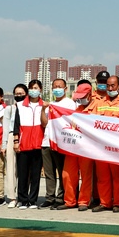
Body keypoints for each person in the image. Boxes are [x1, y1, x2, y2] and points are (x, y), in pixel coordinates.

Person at [92, 75, 119, 213]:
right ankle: (105, 202)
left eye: (112, 85)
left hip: (117, 146)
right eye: (108, 85)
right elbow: (93, 121)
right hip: (101, 147)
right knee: (102, 177)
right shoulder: (100, 103)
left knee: (117, 176)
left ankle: (118, 203)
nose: (109, 88)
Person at [58, 82, 98, 211]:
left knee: (86, 175)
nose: (81, 99)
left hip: (87, 148)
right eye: (79, 97)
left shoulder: (97, 108)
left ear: (90, 95)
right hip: (74, 147)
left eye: (83, 96)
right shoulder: (77, 109)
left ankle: (83, 201)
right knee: (67, 174)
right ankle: (69, 200)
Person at [38, 79, 76, 208]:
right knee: (49, 173)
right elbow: (44, 123)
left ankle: (61, 197)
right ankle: (50, 197)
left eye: (59, 86)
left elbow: (71, 121)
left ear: (65, 89)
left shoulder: (70, 103)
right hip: (47, 142)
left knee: (62, 172)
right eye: (54, 87)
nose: (57, 89)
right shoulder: (50, 104)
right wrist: (43, 110)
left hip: (60, 143)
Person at [13, 80, 45, 209]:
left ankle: (32, 200)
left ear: (40, 89)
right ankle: (22, 199)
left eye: (36, 88)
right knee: (23, 173)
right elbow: (16, 125)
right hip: (23, 144)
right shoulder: (20, 105)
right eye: (31, 88)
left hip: (38, 144)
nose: (33, 90)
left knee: (35, 174)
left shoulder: (44, 106)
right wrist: (16, 141)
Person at [2, 84, 27, 208]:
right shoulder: (10, 109)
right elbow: (5, 127)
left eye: (21, 93)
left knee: (24, 168)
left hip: (25, 136)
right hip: (12, 136)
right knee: (11, 168)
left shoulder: (28, 108)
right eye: (16, 93)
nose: (19, 95)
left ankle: (23, 196)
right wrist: (4, 144)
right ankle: (12, 197)